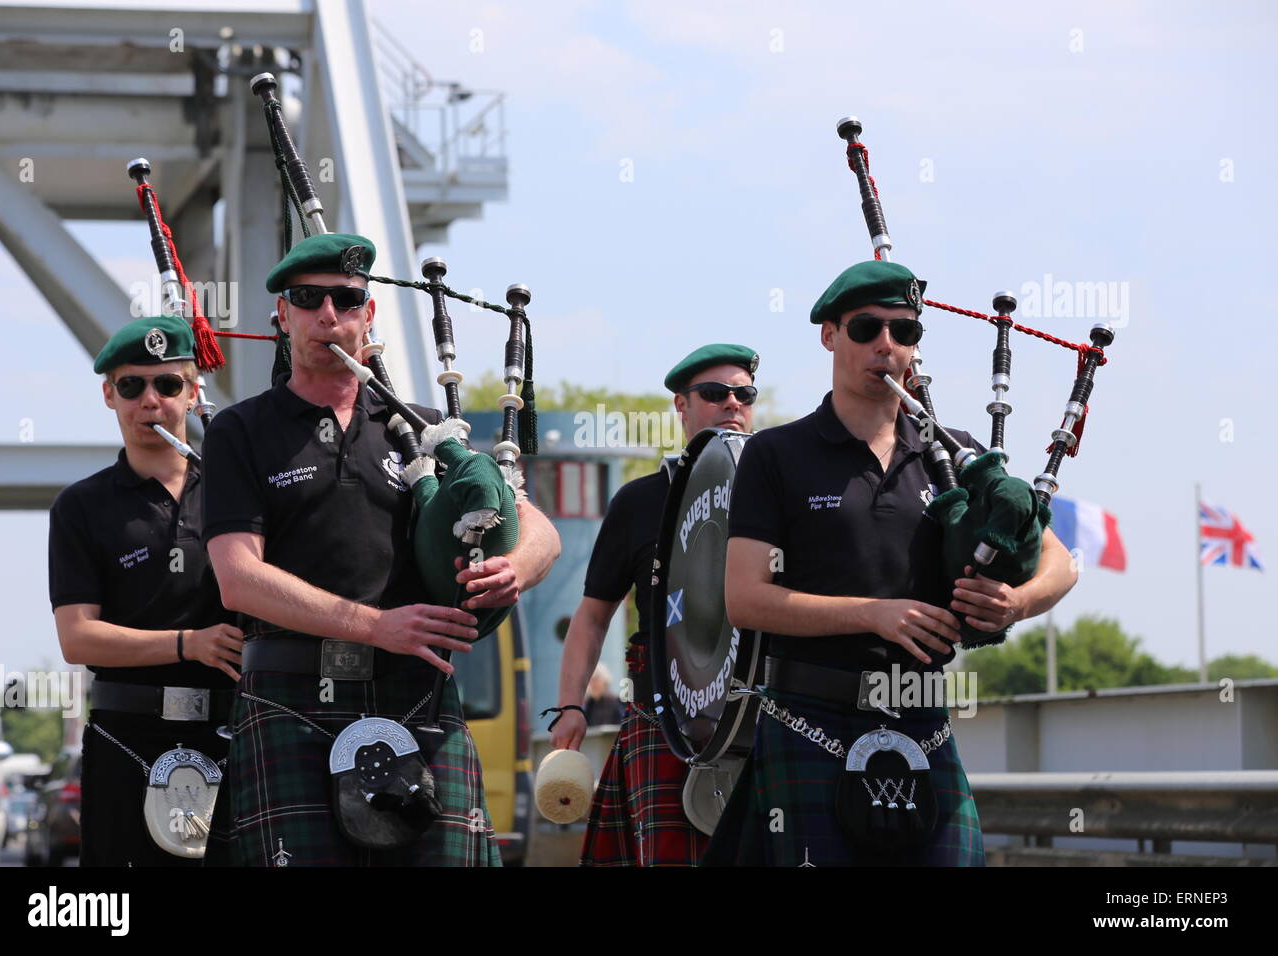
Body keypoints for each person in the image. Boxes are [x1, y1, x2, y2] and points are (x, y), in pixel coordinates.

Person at [201, 233, 560, 866]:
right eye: (308, 300)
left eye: (346, 299)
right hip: (290, 694)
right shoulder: (241, 429)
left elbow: (541, 532)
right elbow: (238, 578)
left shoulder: (425, 429)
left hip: (415, 693)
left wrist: (515, 568)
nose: (328, 315)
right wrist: (376, 626)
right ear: (282, 317)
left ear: (369, 316)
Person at [705, 260, 1078, 866]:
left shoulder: (955, 456)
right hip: (808, 718)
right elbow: (745, 598)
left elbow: (1060, 562)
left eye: (905, 333)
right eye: (866, 329)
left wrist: (1016, 602)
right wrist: (874, 614)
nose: (887, 345)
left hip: (924, 721)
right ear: (829, 334)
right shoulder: (777, 454)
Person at [550, 343, 759, 866]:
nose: (732, 403)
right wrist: (572, 705)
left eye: (744, 393)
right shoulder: (640, 501)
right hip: (665, 717)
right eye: (714, 393)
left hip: (766, 713)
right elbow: (594, 614)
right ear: (681, 406)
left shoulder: (778, 488)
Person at [48, 314, 244, 867]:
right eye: (131, 386)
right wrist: (188, 643)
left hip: (233, 729)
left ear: (193, 391)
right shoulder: (81, 506)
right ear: (109, 395)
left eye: (167, 384)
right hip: (125, 736)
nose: (149, 401)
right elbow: (77, 639)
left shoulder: (240, 492)